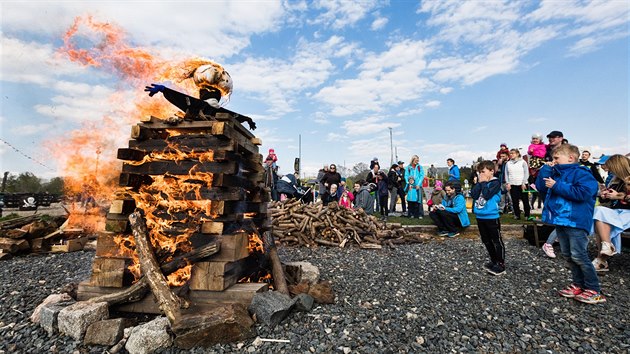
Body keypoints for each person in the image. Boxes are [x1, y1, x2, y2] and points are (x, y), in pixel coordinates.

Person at [535, 144, 604, 304]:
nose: (554, 161)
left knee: (579, 255)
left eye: (556, 158)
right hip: (561, 220)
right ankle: (578, 284)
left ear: (571, 158)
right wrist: (545, 171)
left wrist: (557, 185)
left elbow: (584, 193)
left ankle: (594, 289)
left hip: (576, 221)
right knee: (567, 254)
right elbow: (541, 188)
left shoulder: (582, 173)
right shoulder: (556, 174)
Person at [590, 155, 630, 272]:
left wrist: (617, 196)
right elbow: (606, 201)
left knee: (602, 222)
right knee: (599, 212)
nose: (610, 171)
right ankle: (607, 246)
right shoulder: (615, 180)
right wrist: (604, 195)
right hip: (616, 212)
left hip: (627, 213)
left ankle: (601, 260)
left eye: (611, 168)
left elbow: (623, 197)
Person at [471, 160, 505, 275]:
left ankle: (500, 263)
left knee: (496, 240)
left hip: (491, 216)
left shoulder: (495, 183)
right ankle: (493, 260)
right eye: (479, 172)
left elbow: (486, 194)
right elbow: (474, 195)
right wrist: (478, 183)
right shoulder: (481, 182)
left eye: (483, 171)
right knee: (486, 240)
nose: (481, 174)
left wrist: (484, 183)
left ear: (491, 171)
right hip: (480, 216)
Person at [505, 149, 532, 221]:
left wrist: (523, 182)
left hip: (522, 184)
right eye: (510, 153)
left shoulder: (523, 162)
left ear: (517, 154)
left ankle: (527, 215)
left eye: (513, 153)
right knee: (515, 201)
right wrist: (508, 183)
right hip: (513, 184)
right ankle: (517, 215)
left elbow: (526, 173)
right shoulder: (508, 163)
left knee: (525, 200)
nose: (511, 155)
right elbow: (506, 174)